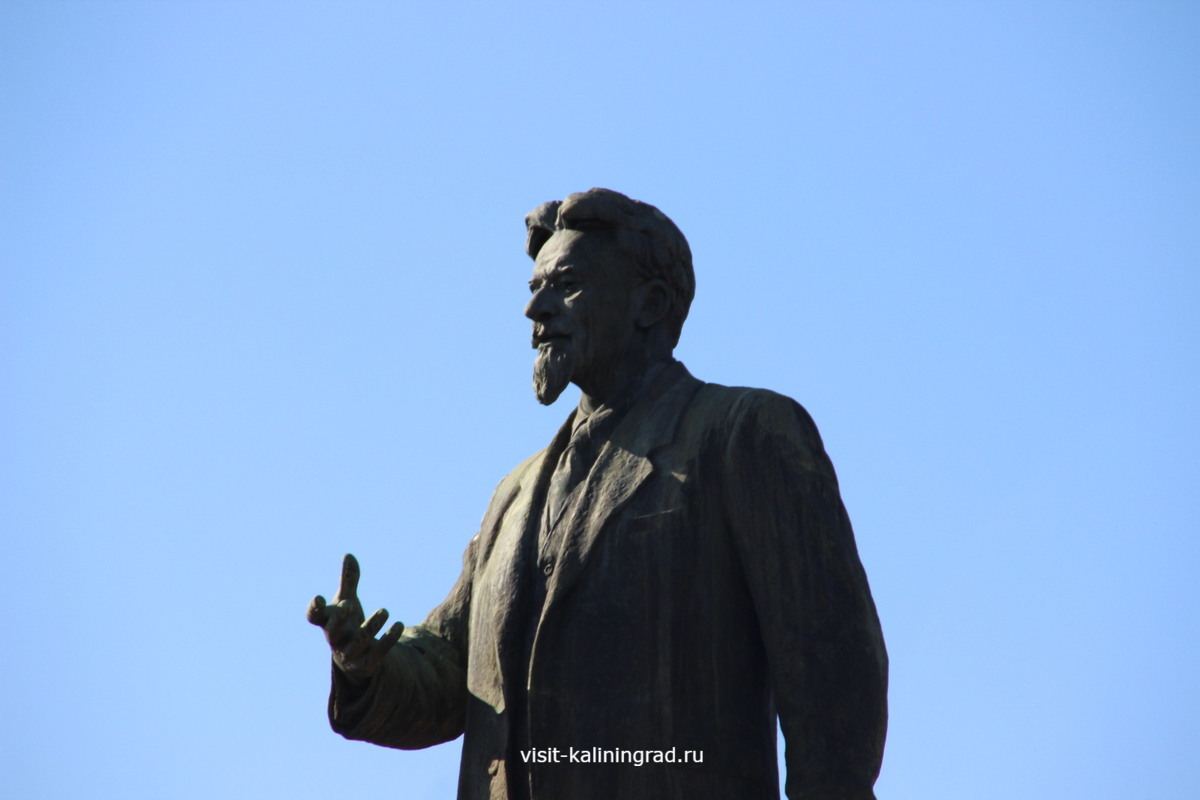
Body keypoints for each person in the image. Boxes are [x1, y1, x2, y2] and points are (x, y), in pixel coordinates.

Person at [307, 188, 888, 799]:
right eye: (535, 287)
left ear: (649, 304)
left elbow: (832, 670)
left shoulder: (742, 434)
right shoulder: (514, 495)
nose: (535, 309)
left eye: (567, 285)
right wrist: (367, 665)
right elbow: (449, 667)